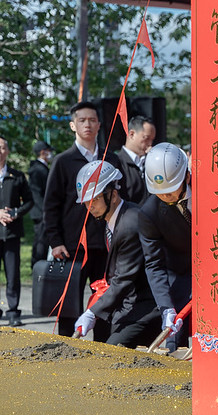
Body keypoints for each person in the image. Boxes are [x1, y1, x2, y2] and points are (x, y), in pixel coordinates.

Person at [43, 101, 125, 337]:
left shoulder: (111, 159)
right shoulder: (62, 161)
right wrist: (55, 241)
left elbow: (121, 199)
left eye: (92, 120)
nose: (87, 124)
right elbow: (51, 206)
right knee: (69, 304)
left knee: (106, 299)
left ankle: (103, 345)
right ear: (72, 125)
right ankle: (67, 350)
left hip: (107, 244)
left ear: (100, 125)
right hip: (71, 246)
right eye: (82, 120)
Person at [72, 160, 161, 347]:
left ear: (113, 194)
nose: (90, 206)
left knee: (114, 350)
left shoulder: (130, 223)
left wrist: (92, 312)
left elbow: (123, 279)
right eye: (87, 201)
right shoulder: (114, 218)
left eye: (95, 199)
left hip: (147, 306)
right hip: (127, 304)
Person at [139, 142, 191, 352]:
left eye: (171, 191)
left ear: (186, 176)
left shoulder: (212, 190)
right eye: (161, 193)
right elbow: (154, 264)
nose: (166, 197)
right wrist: (166, 307)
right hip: (180, 274)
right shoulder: (149, 213)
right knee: (174, 336)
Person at [0, 135, 33, 326]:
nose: (0, 150)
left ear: (8, 151)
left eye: (3, 147)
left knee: (12, 274)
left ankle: (13, 311)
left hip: (12, 233)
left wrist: (16, 212)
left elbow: (29, 201)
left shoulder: (17, 176)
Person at [116, 115, 156, 205]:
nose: (150, 144)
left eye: (152, 140)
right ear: (132, 134)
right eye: (146, 138)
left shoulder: (151, 161)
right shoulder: (117, 162)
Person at [28, 140, 53, 267]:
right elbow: (36, 194)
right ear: (43, 152)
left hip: (42, 211)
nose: (50, 154)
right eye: (49, 151)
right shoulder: (37, 170)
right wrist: (45, 210)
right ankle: (37, 265)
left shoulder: (41, 168)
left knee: (44, 240)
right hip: (41, 213)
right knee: (40, 242)